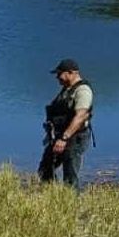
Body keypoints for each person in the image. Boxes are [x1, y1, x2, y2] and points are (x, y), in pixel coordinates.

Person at [38, 58, 94, 189]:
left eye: (59, 74)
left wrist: (64, 138)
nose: (57, 77)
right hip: (59, 136)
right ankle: (51, 196)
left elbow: (81, 116)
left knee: (70, 175)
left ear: (71, 72)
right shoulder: (66, 90)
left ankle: (71, 204)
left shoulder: (83, 91)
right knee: (45, 168)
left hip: (74, 137)